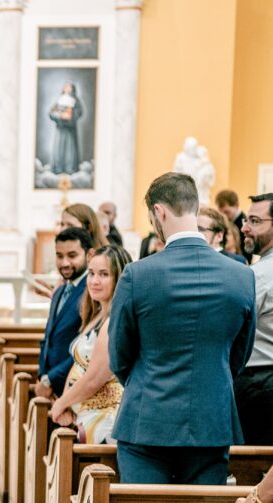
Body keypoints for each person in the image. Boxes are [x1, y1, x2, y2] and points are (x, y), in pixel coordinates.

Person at [109, 172, 256, 484]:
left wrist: (143, 383)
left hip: (146, 419)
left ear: (159, 212)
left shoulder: (138, 275)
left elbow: (119, 354)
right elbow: (239, 354)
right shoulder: (241, 276)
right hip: (212, 420)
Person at [49, 245, 131, 444]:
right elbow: (79, 366)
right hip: (86, 415)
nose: (94, 281)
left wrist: (61, 403)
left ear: (119, 277)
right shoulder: (96, 315)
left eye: (104, 274)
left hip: (104, 420)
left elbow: (94, 379)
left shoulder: (114, 321)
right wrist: (68, 402)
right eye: (92, 273)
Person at [234, 193, 273, 445]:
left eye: (255, 221)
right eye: (246, 220)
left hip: (260, 384)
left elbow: (234, 326)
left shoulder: (259, 275)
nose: (245, 227)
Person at [35, 227, 91, 401]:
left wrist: (50, 379)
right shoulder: (60, 291)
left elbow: (87, 346)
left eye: (72, 256)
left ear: (88, 255)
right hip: (51, 387)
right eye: (59, 256)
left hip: (73, 387)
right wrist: (43, 375)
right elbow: (48, 338)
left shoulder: (91, 292)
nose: (65, 263)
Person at [49, 82, 84, 175]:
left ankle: (70, 168)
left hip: (70, 129)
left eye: (69, 87)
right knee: (59, 148)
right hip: (60, 128)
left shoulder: (75, 101)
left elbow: (79, 112)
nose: (67, 89)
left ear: (72, 89)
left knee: (70, 149)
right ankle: (58, 168)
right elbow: (51, 113)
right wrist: (60, 115)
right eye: (66, 87)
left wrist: (71, 116)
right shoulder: (59, 100)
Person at [216, 188, 248, 260]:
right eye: (221, 212)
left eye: (226, 212)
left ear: (236, 205)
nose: (224, 216)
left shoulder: (244, 223)